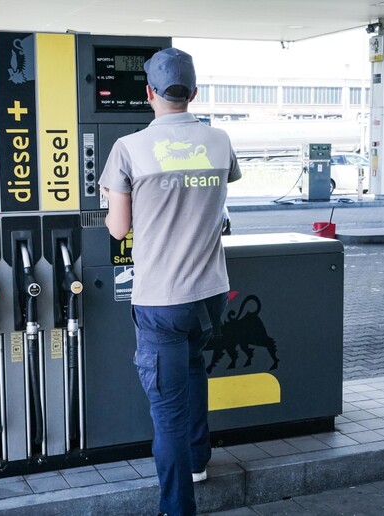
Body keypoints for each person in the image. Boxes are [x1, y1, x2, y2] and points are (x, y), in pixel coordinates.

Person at [99, 47, 242, 516]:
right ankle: (198, 460)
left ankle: (177, 508)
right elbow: (214, 199)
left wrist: (112, 196)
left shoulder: (129, 148)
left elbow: (118, 229)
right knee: (195, 367)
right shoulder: (219, 140)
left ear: (149, 93)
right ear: (193, 93)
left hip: (161, 298)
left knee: (167, 411)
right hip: (211, 293)